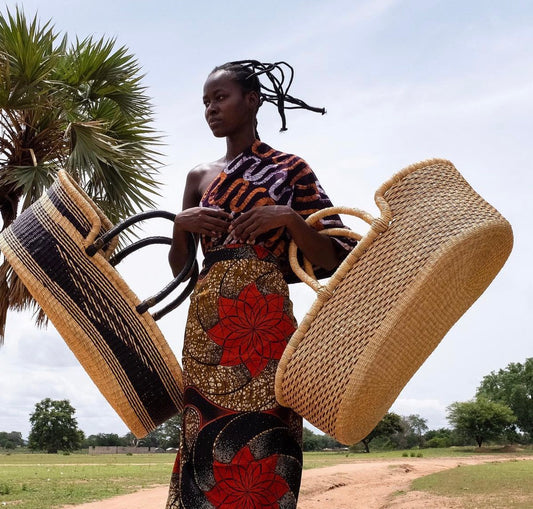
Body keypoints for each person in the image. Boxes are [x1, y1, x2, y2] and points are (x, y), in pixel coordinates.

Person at [166, 60, 356, 509]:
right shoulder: (198, 176)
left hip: (265, 316)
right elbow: (179, 269)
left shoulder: (291, 169)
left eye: (221, 98)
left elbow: (333, 258)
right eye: (206, 102)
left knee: (269, 424)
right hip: (209, 318)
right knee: (202, 425)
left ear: (252, 101)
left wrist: (288, 217)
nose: (211, 109)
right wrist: (181, 223)